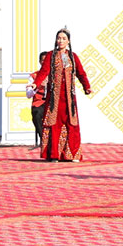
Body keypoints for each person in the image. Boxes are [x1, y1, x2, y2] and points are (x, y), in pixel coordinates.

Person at [31, 28, 92, 162]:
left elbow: (81, 73)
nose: (61, 41)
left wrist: (87, 86)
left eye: (64, 38)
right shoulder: (51, 56)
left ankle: (72, 154)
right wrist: (35, 84)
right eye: (59, 38)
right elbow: (44, 71)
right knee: (54, 124)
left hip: (69, 98)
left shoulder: (73, 57)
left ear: (68, 41)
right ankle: (54, 154)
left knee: (71, 123)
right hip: (55, 98)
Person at [27, 51, 49, 147]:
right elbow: (28, 94)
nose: (45, 63)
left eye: (47, 60)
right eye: (43, 60)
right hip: (39, 102)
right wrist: (37, 86)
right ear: (40, 62)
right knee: (36, 114)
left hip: (52, 103)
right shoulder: (33, 76)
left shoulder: (55, 75)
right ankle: (44, 139)